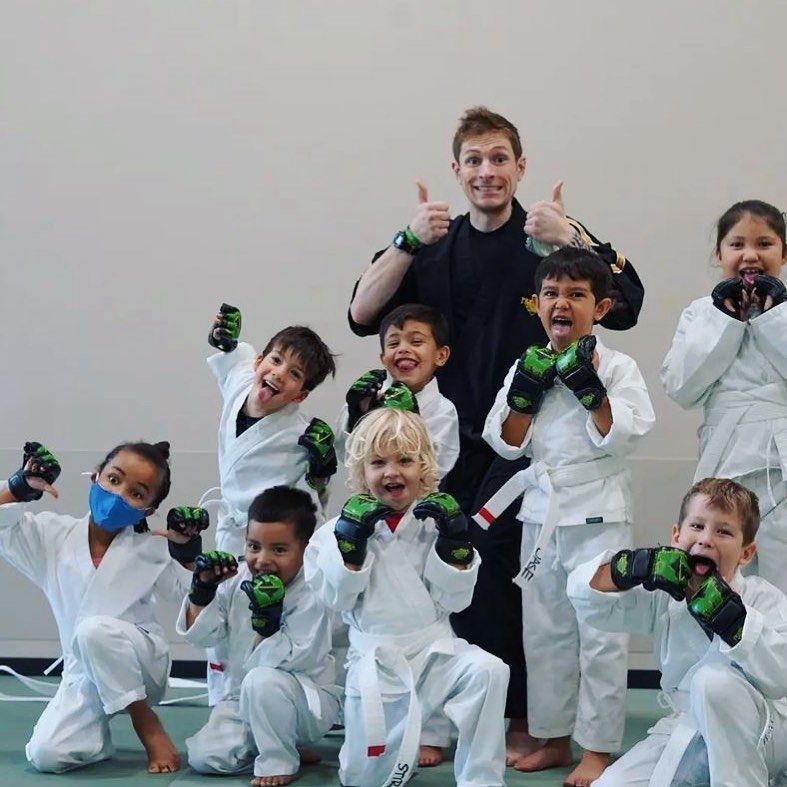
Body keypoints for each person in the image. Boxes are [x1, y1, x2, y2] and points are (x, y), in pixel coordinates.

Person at [346, 105, 644, 758]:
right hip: (442, 442)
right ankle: (440, 716)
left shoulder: (545, 242)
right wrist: (404, 240)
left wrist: (573, 233)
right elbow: (361, 312)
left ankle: (520, 715)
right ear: (456, 170)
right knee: (436, 566)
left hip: (521, 445)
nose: (487, 171)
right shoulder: (432, 244)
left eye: (499, 158)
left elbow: (627, 305)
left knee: (513, 582)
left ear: (520, 167)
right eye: (474, 160)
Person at [482, 248, 654, 785]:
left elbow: (625, 434)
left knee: (600, 633)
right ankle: (553, 737)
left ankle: (598, 747)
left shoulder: (618, 367)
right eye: (552, 293)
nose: (562, 303)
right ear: (536, 304)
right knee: (545, 631)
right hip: (541, 514)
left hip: (599, 513)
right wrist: (524, 398)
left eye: (576, 295)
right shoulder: (525, 365)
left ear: (600, 308)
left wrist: (591, 391)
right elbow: (506, 444)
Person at [304, 408, 509, 787]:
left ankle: (481, 779)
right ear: (361, 471)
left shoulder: (437, 524)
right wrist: (351, 551)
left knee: (489, 671)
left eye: (404, 460)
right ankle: (392, 755)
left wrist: (455, 545)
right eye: (378, 462)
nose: (391, 472)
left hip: (434, 657)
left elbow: (456, 603)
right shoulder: (336, 531)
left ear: (424, 467)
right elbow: (336, 602)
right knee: (364, 780)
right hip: (378, 666)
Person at [0, 440, 206, 774]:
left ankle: (146, 722)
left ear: (148, 510)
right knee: (47, 755)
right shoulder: (53, 536)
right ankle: (97, 740)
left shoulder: (154, 547)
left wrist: (188, 554)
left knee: (93, 630)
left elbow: (193, 602)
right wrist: (19, 486)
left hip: (142, 664)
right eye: (113, 479)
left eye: (136, 493)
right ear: (95, 476)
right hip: (84, 672)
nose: (119, 494)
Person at [568, 477, 787, 785]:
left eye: (723, 531)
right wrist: (633, 567)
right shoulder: (663, 596)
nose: (706, 539)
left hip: (761, 732)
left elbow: (781, 676)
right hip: (687, 725)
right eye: (697, 526)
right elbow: (587, 600)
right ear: (676, 536)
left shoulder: (763, 599)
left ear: (746, 553)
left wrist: (734, 621)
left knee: (714, 682)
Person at [205, 304, 337, 703]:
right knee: (221, 616)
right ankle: (224, 704)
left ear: (302, 394)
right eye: (276, 361)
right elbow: (235, 356)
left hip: (269, 541)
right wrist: (223, 339)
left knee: (260, 615)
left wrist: (320, 472)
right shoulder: (241, 382)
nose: (279, 374)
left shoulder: (302, 434)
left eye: (294, 374)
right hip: (232, 532)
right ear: (260, 361)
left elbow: (308, 501)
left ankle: (269, 700)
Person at [662, 200, 787, 595]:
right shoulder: (701, 313)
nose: (750, 255)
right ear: (719, 254)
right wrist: (724, 320)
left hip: (780, 464)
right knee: (720, 579)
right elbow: (682, 388)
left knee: (781, 583)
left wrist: (774, 317)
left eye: (764, 243)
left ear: (784, 254)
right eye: (737, 244)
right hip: (724, 461)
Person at [177, 485, 340, 786]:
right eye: (254, 546)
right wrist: (202, 592)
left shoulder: (314, 589)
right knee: (205, 757)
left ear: (305, 549)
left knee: (262, 679)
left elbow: (300, 657)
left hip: (304, 702)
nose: (262, 560)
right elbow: (203, 638)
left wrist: (268, 625)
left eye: (279, 550)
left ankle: (280, 760)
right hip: (241, 699)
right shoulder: (236, 579)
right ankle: (276, 742)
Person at [336, 302, 459, 481]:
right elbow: (345, 458)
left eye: (416, 341)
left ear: (441, 355)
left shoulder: (443, 411)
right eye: (393, 343)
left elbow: (436, 469)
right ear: (383, 358)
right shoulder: (367, 397)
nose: (403, 349)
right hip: (369, 494)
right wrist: (356, 415)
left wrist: (412, 417)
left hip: (416, 497)